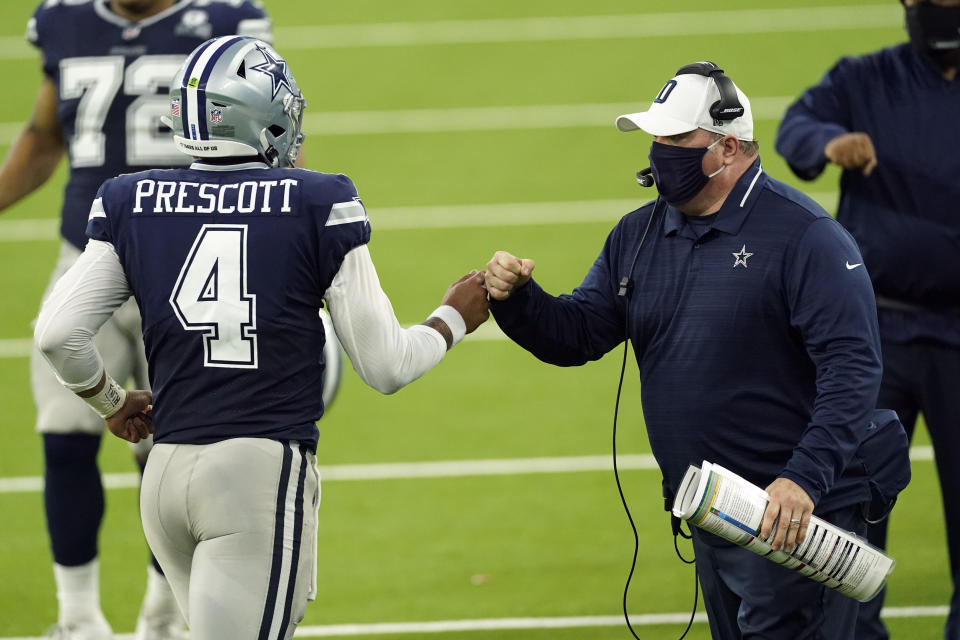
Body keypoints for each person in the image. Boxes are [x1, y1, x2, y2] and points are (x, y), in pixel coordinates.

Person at [33, 35, 489, 640]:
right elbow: (387, 367)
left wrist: (113, 404)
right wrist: (453, 317)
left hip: (164, 476)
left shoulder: (128, 198)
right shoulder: (319, 200)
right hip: (255, 476)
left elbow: (58, 334)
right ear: (263, 117)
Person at [484, 62, 889, 639]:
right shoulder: (640, 232)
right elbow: (578, 334)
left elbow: (853, 369)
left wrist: (803, 479)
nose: (658, 151)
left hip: (792, 516)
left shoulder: (806, 236)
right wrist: (520, 299)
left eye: (675, 139)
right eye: (656, 138)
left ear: (727, 148)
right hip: (711, 511)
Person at [0, 2, 294, 638]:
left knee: (179, 435)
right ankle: (78, 617)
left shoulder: (226, 18)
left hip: (192, 259)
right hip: (87, 257)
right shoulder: (63, 21)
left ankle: (164, 614)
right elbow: (45, 135)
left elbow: (269, 133)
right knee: (64, 427)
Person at [775, 2, 960, 637]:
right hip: (872, 336)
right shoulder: (863, 78)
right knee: (852, 503)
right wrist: (827, 143)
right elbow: (794, 125)